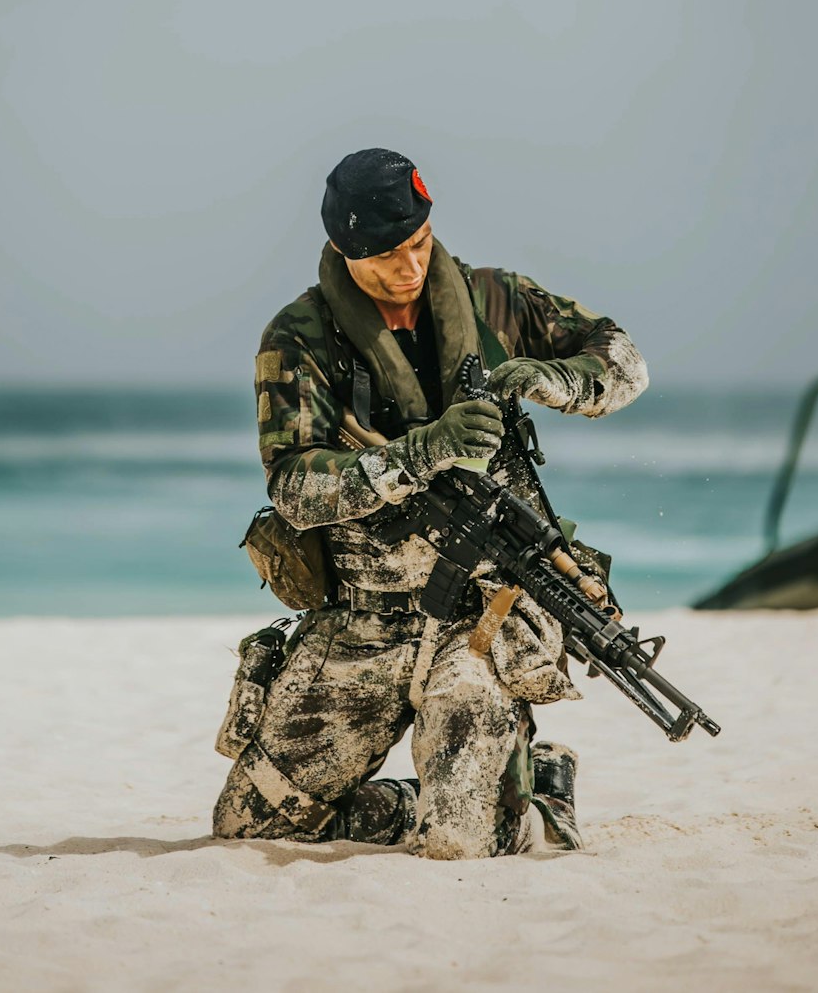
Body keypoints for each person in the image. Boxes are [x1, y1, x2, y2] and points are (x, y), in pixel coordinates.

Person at [213, 147, 648, 859]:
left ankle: (540, 794)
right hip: (363, 621)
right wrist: (414, 455)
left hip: (482, 618)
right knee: (246, 828)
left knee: (459, 842)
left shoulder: (497, 300)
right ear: (341, 250)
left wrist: (557, 378)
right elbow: (293, 486)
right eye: (386, 256)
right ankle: (484, 786)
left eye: (417, 245)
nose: (409, 268)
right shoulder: (300, 339)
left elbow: (626, 361)